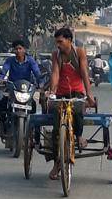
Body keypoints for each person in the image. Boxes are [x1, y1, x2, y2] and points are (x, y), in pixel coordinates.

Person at [27, 28, 95, 180]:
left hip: (77, 93)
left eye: (60, 42)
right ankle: (57, 162)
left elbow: (84, 73)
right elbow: (55, 73)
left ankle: (78, 136)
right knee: (57, 118)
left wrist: (89, 95)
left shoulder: (80, 53)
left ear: (69, 40)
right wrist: (52, 92)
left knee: (77, 110)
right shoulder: (56, 55)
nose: (58, 45)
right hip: (61, 94)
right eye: (56, 42)